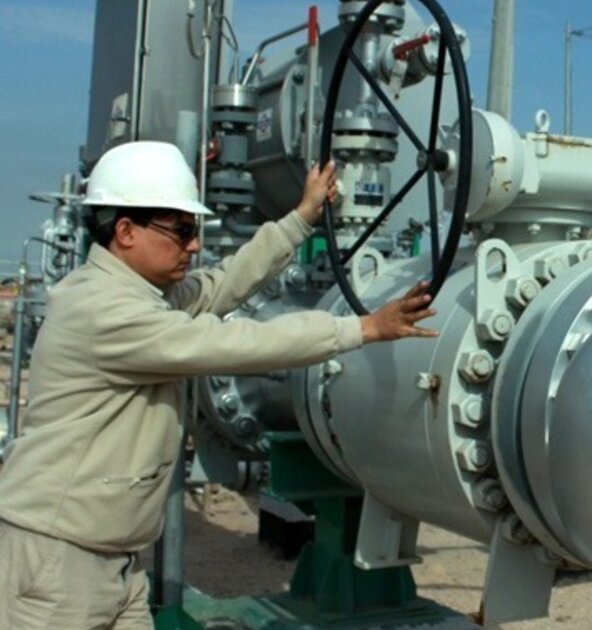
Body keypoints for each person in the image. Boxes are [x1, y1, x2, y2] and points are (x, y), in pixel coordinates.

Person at [0, 141, 437, 629]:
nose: (193, 245)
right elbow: (232, 342)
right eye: (182, 230)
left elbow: (220, 287)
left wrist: (299, 220)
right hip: (59, 566)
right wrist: (360, 329)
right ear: (125, 231)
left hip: (114, 563)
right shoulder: (103, 310)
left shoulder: (139, 294)